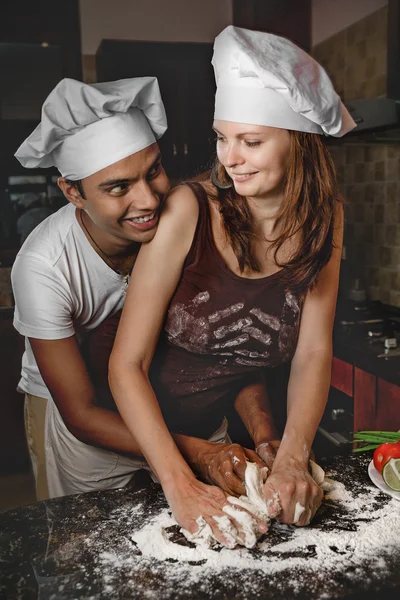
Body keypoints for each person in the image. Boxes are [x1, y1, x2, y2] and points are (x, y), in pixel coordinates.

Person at [107, 26, 356, 545]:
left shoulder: (326, 219)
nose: (230, 158)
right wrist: (178, 483)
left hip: (213, 435)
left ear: (300, 144)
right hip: (118, 432)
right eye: (222, 138)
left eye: (251, 141)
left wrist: (290, 455)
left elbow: (312, 350)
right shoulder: (187, 211)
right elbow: (125, 363)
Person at [11, 76, 266, 506]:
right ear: (73, 192)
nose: (148, 200)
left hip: (178, 396)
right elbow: (81, 414)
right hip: (83, 412)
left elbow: (229, 345)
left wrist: (262, 435)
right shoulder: (44, 267)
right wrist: (199, 453)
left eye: (153, 172)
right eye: (118, 187)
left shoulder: (187, 221)